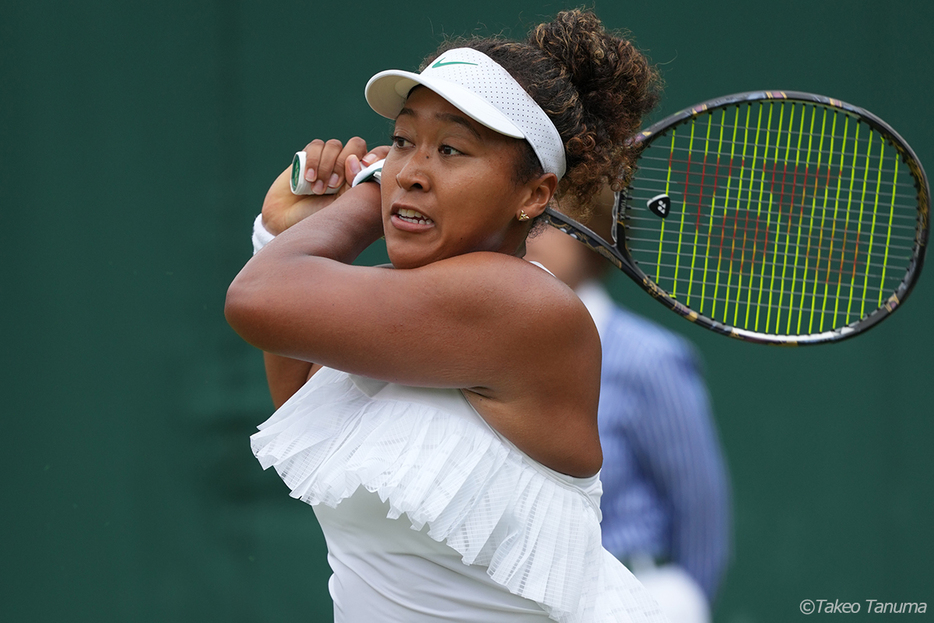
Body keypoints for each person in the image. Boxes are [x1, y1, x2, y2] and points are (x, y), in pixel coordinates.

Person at [226, 10, 667, 622]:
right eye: (403, 141)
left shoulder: (518, 305)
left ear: (534, 195)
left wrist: (365, 193)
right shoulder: (413, 308)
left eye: (451, 149)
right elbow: (304, 396)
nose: (411, 171)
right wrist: (280, 233)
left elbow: (259, 302)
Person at [525, 189, 732, 623]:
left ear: (594, 238)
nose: (532, 235)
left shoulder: (649, 359)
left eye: (554, 222)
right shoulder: (486, 352)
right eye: (527, 220)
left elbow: (702, 513)